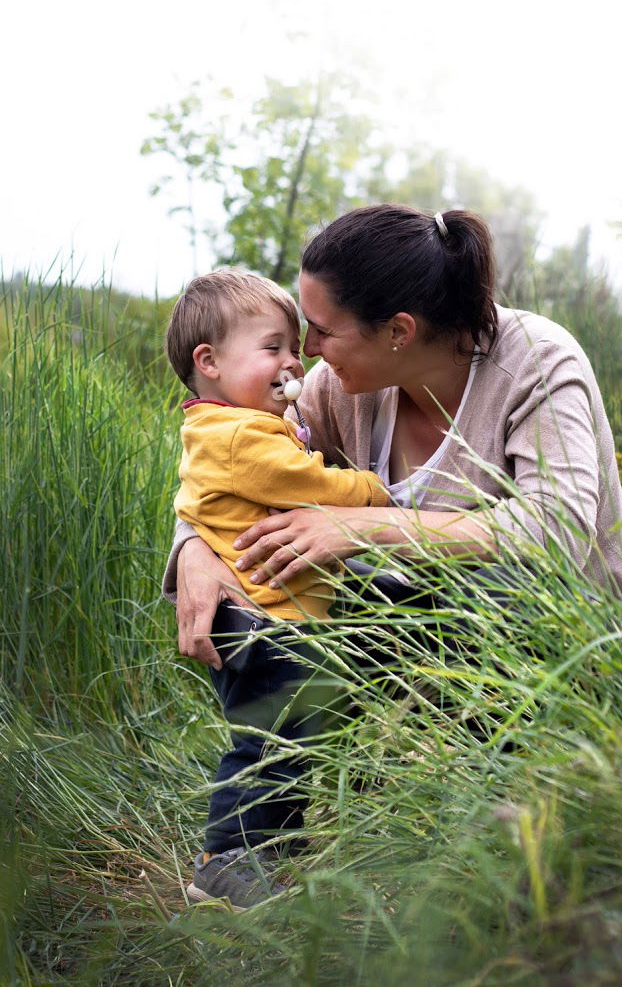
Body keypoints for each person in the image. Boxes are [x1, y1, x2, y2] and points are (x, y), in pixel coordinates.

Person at [164, 205, 622, 904]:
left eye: (322, 330)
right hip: (440, 657)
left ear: (399, 331)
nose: (308, 351)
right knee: (278, 638)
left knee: (485, 585)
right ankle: (250, 852)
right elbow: (229, 457)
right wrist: (194, 548)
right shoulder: (342, 387)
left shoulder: (539, 363)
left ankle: (530, 827)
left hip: (584, 659)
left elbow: (555, 529)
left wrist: (361, 528)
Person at [163, 268, 389, 908]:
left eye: (295, 347)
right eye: (274, 348)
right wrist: (371, 493)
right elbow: (312, 483)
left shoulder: (235, 425)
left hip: (273, 616)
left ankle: (269, 860)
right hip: (259, 619)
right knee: (271, 744)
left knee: (294, 738)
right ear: (209, 362)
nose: (294, 363)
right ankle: (226, 859)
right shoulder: (238, 436)